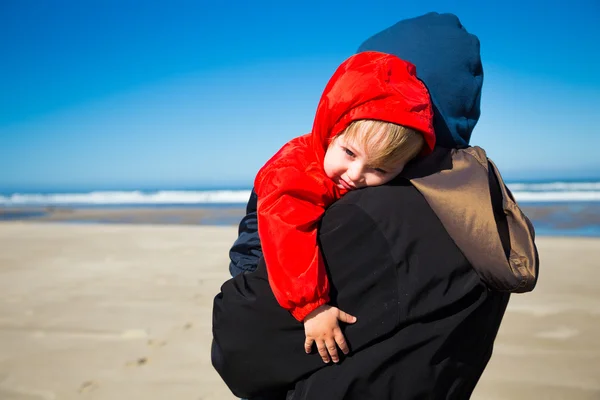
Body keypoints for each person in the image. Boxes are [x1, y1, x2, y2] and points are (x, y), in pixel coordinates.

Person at [214, 12, 539, 399]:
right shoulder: (485, 210)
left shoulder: (371, 213)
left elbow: (240, 347)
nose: (355, 173)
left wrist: (296, 297)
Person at [234, 50, 437, 363]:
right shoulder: (294, 173)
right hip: (262, 250)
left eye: (380, 170)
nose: (356, 175)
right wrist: (312, 306)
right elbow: (289, 235)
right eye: (350, 153)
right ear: (331, 129)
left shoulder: (344, 171)